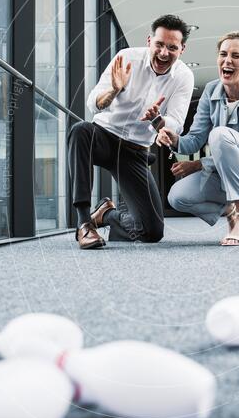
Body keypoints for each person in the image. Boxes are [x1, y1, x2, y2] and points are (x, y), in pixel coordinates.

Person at [68, 14, 194, 249]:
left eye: (172, 47)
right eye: (159, 44)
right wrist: (114, 91)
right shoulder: (126, 58)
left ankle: (106, 215)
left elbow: (176, 123)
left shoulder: (184, 76)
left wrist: (157, 120)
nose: (164, 53)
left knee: (152, 231)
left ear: (182, 49)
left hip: (134, 151)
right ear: (149, 41)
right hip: (103, 136)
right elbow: (93, 103)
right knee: (80, 131)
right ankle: (84, 223)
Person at [157, 31, 239, 246]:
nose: (228, 60)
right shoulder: (211, 91)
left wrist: (198, 165)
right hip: (229, 175)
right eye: (223, 54)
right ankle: (230, 210)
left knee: (220, 134)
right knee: (177, 197)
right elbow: (194, 139)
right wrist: (173, 138)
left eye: (236, 56)